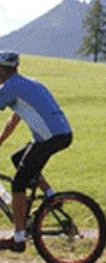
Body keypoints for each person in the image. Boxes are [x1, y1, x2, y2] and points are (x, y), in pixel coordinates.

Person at [0, 51, 72, 252]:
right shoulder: (28, 83)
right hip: (60, 134)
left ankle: (18, 239)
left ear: (2, 70)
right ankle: (51, 196)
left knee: (18, 183)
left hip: (50, 138)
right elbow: (13, 121)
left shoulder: (10, 87)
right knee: (18, 159)